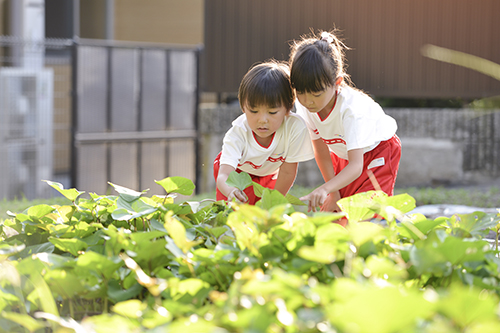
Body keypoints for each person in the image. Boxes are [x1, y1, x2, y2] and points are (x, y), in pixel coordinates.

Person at [289, 29, 401, 215]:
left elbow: (356, 166)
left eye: (316, 94)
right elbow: (321, 151)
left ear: (337, 83)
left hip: (377, 153)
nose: (307, 101)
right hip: (343, 154)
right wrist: (333, 192)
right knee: (337, 216)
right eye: (300, 92)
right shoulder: (307, 107)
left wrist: (324, 189)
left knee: (364, 219)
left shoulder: (351, 111)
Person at [213, 60, 315, 204]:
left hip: (268, 172)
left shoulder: (294, 127)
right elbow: (224, 175)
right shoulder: (238, 133)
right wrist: (231, 192)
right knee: (235, 217)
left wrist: (273, 203)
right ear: (243, 107)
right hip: (236, 173)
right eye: (254, 111)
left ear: (287, 108)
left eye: (272, 112)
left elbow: (287, 173)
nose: (262, 120)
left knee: (264, 217)